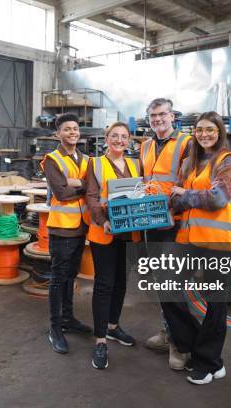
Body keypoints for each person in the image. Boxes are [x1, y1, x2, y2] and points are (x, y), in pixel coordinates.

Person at [167, 111, 231, 384]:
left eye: (210, 129)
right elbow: (174, 198)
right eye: (199, 130)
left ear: (219, 131)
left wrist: (185, 196)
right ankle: (195, 344)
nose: (204, 134)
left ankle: (210, 362)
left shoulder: (227, 162)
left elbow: (218, 198)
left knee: (215, 303)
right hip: (186, 241)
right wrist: (171, 198)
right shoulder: (190, 161)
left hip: (216, 243)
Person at [140, 98, 192, 360]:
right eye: (153, 116)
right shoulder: (146, 145)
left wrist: (173, 211)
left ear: (172, 116)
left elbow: (188, 182)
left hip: (175, 222)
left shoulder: (186, 143)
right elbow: (144, 182)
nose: (158, 119)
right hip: (152, 221)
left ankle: (180, 344)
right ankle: (168, 329)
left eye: (162, 114)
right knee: (160, 281)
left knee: (174, 282)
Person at [85, 122, 141, 369]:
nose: (119, 140)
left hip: (128, 233)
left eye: (124, 137)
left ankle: (113, 327)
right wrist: (103, 220)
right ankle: (100, 341)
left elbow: (140, 194)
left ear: (128, 141)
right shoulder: (95, 164)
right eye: (114, 136)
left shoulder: (134, 164)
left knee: (121, 282)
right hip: (105, 232)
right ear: (106, 139)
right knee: (105, 284)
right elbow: (92, 197)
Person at [41, 113, 92, 354]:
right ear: (58, 134)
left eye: (75, 128)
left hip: (81, 227)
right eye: (67, 129)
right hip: (62, 227)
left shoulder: (85, 158)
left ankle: (68, 319)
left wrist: (77, 183)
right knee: (59, 277)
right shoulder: (52, 159)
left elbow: (93, 186)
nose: (72, 132)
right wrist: (81, 186)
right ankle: (55, 328)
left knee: (71, 275)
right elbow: (61, 193)